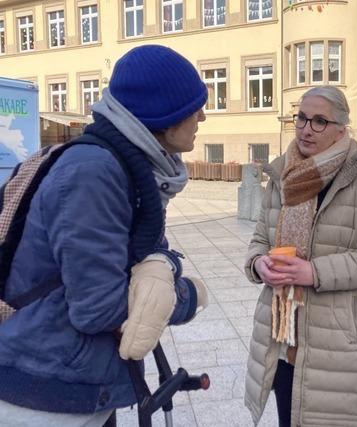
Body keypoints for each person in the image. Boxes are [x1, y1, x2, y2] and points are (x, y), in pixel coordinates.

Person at [0, 45, 209, 426]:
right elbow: (98, 308)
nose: (202, 116)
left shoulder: (131, 166)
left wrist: (164, 265)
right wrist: (186, 297)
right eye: (194, 107)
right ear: (163, 114)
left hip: (78, 379)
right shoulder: (95, 172)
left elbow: (149, 250)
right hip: (46, 393)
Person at [244, 86, 357, 426]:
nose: (305, 128)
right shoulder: (281, 176)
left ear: (341, 129)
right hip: (282, 340)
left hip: (338, 345)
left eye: (319, 121)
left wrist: (313, 272)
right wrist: (259, 265)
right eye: (301, 118)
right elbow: (259, 239)